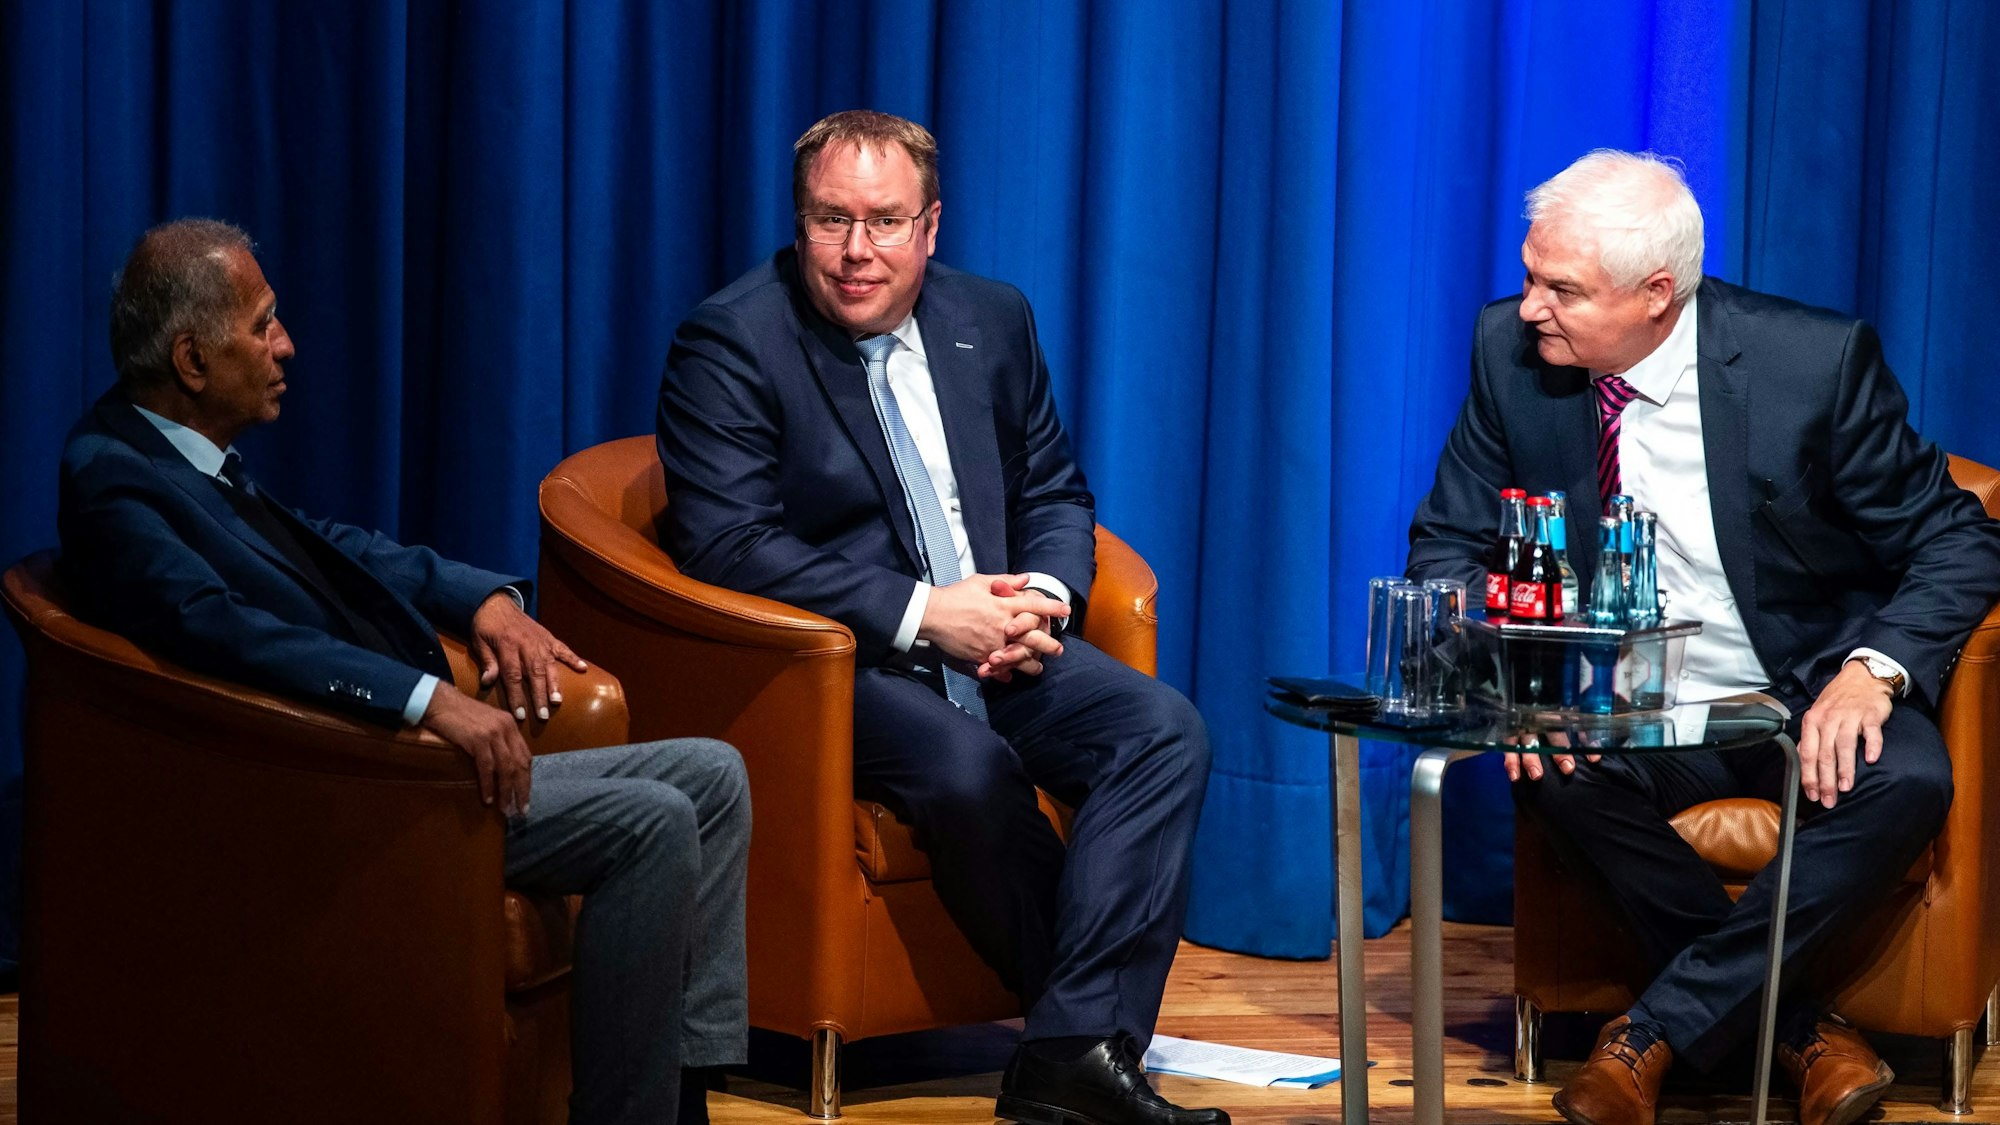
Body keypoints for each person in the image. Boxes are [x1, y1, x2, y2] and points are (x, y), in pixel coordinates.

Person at [58, 218, 749, 1125]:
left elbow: (330, 549)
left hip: (396, 765)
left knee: (715, 775)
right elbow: (217, 630)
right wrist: (427, 701)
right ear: (192, 359)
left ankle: (682, 1093)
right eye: (263, 325)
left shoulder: (178, 456)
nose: (286, 345)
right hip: (348, 785)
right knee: (653, 818)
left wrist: (481, 600)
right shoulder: (116, 480)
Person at [1407, 150, 2000, 1125]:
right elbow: (1447, 545)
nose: (1527, 309)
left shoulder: (1807, 364)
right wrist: (1515, 677)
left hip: (1796, 695)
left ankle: (1649, 1036)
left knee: (1909, 777)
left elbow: (1956, 538)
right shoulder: (1508, 360)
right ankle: (1797, 1030)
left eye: (1559, 288)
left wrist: (1870, 672)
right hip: (1625, 706)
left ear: (1654, 295)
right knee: (1544, 762)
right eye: (1527, 276)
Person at [658, 110, 1221, 1125]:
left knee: (1162, 731)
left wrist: (1041, 596)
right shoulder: (732, 339)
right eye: (831, 221)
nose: (856, 252)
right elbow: (727, 544)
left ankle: (1065, 1056)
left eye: (883, 221)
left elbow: (1050, 488)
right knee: (969, 770)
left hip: (1001, 634)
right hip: (844, 665)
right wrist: (924, 616)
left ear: (931, 226)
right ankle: (1081, 1048)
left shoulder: (990, 317)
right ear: (799, 222)